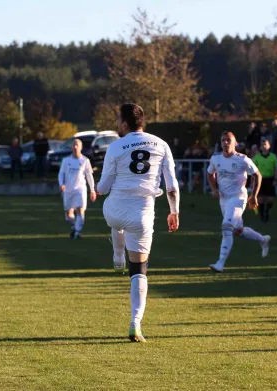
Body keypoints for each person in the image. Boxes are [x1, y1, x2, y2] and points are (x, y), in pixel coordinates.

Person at [97, 103, 179, 343]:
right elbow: (171, 186)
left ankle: (116, 256)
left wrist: (95, 188)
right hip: (142, 214)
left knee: (117, 223)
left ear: (124, 124)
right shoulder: (161, 144)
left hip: (113, 211)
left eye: (117, 120)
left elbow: (102, 188)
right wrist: (174, 211)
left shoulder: (115, 146)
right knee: (139, 271)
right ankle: (135, 324)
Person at [207, 131, 271, 273]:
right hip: (224, 199)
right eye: (223, 140)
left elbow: (257, 175)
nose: (225, 143)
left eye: (228, 140)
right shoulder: (216, 158)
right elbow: (210, 173)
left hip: (238, 197)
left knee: (226, 226)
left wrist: (254, 196)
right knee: (237, 231)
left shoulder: (242, 159)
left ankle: (220, 263)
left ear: (235, 143)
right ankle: (263, 240)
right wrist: (214, 189)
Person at [58, 139, 96, 239]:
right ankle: (75, 228)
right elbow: (61, 173)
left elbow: (89, 176)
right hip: (68, 190)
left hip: (80, 189)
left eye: (77, 145)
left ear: (81, 147)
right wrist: (61, 184)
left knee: (80, 210)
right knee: (68, 214)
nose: (75, 147)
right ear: (71, 147)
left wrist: (92, 190)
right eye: (74, 145)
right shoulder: (66, 160)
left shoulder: (85, 161)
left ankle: (77, 233)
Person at [252, 139, 277, 222]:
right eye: (262, 144)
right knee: (260, 199)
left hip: (270, 179)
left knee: (270, 199)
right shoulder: (256, 157)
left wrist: (275, 179)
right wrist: (253, 181)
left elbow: (276, 169)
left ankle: (267, 211)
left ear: (269, 146)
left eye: (265, 144)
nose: (264, 146)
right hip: (260, 180)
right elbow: (253, 170)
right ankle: (262, 215)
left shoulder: (273, 157)